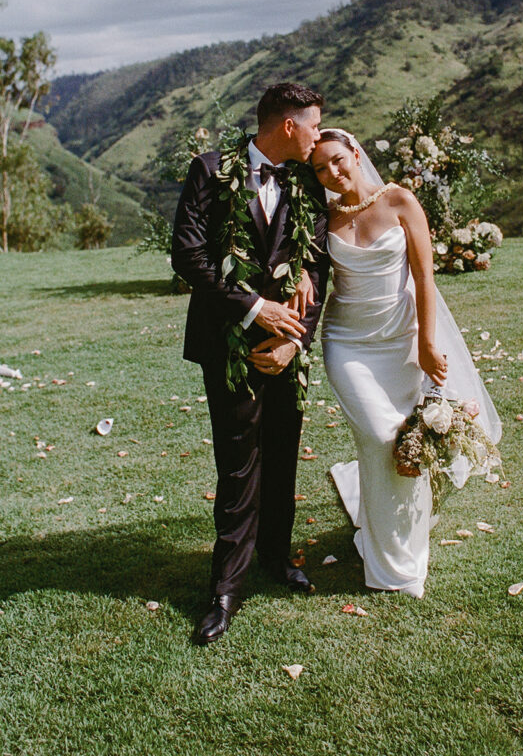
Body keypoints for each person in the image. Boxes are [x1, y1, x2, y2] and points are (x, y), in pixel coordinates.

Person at [312, 129, 501, 599]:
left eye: (337, 160)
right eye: (320, 168)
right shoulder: (323, 216)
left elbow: (424, 275)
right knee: (379, 437)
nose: (332, 173)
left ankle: (401, 538)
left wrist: (426, 342)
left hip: (400, 339)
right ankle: (391, 564)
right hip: (347, 342)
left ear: (356, 153)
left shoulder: (399, 201)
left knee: (401, 443)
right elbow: (309, 268)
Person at [172, 83, 328, 643]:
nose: (318, 135)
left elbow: (319, 266)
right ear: (288, 125)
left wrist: (295, 338)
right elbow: (188, 253)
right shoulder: (210, 171)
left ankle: (275, 558)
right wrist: (255, 310)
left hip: (284, 348)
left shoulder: (308, 180)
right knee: (239, 462)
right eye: (313, 125)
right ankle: (226, 588)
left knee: (283, 450)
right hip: (228, 342)